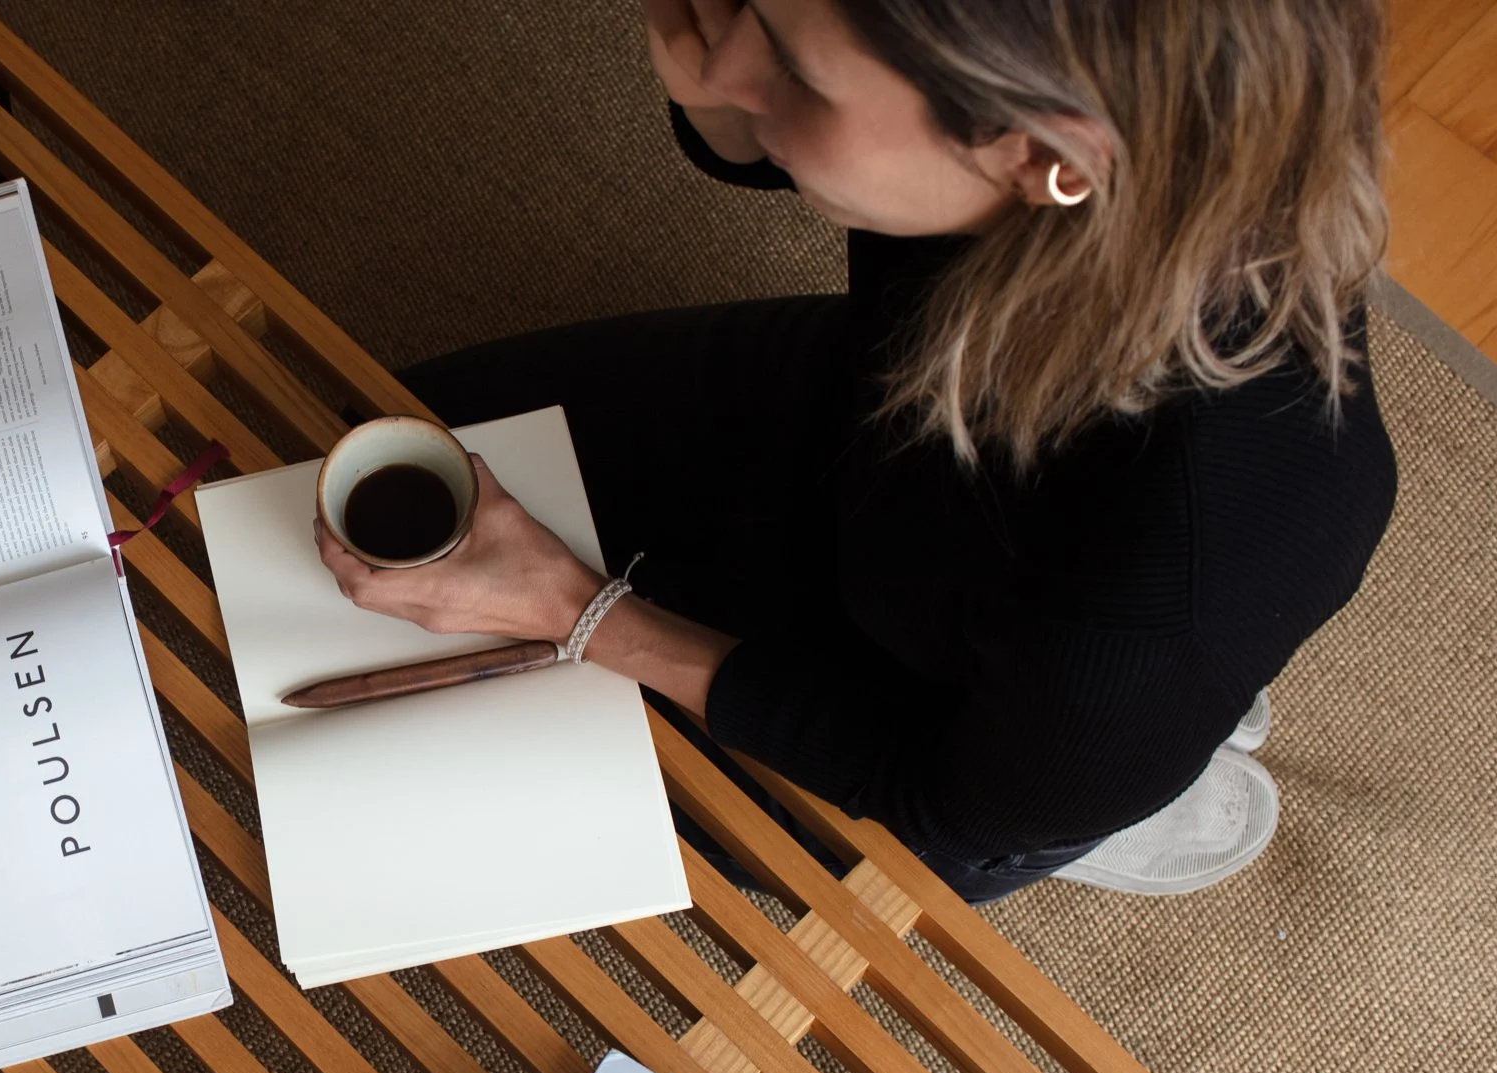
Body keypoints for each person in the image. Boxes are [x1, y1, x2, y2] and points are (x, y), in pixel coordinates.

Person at [310, 0, 1397, 901]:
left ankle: (1108, 779)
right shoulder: (1069, 171)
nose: (736, 52)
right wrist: (719, 80)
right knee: (353, 439)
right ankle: (1111, 733)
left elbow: (929, 789)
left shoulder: (1185, 556)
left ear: (1046, 154)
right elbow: (782, 144)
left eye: (792, 66)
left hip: (945, 704)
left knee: (460, 827)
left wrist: (578, 612)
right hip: (867, 412)